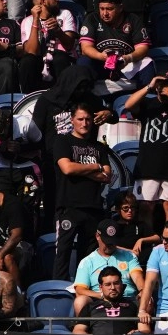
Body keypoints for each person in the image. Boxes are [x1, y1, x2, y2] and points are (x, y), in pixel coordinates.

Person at [52, 104, 111, 281]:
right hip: (68, 206)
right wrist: (94, 167)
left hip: (93, 207)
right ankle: (59, 289)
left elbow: (107, 176)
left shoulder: (100, 147)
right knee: (63, 252)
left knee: (88, 255)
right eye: (80, 119)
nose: (84, 123)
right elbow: (67, 168)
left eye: (88, 119)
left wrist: (82, 170)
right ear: (72, 120)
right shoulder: (63, 141)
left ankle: (84, 287)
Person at [123, 75, 168, 227]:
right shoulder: (148, 103)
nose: (164, 88)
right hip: (148, 165)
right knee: (146, 207)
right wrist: (149, 86)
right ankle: (148, 241)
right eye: (162, 84)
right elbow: (128, 105)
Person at [78, 0, 153, 91]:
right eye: (102, 9)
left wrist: (128, 58)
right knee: (83, 61)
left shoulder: (133, 19)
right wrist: (101, 56)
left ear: (120, 8)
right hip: (100, 63)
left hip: (126, 64)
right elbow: (85, 48)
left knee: (147, 62)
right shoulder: (93, 18)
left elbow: (143, 48)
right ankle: (85, 99)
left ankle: (145, 99)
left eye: (109, 9)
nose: (105, 13)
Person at [72, 219, 144, 314]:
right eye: (107, 242)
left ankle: (143, 328)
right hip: (99, 302)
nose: (111, 245)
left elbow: (137, 276)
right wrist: (102, 295)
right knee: (80, 301)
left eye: (113, 242)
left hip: (127, 299)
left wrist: (142, 290)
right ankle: (82, 327)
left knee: (146, 298)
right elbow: (80, 290)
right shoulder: (87, 261)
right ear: (97, 236)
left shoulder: (129, 256)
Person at [19, 0, 77, 91]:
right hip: (39, 63)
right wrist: (35, 21)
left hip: (61, 60)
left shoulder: (64, 14)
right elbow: (31, 51)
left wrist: (58, 30)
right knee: (27, 61)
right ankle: (27, 99)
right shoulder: (28, 21)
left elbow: (69, 45)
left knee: (59, 57)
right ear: (43, 1)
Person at [73, 265, 148, 334]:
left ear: (121, 284)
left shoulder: (135, 305)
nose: (112, 288)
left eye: (116, 283)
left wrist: (136, 334)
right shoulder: (90, 307)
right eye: (108, 284)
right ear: (100, 287)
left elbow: (145, 330)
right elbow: (78, 331)